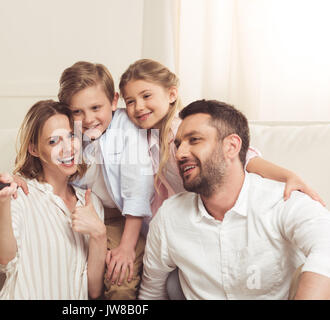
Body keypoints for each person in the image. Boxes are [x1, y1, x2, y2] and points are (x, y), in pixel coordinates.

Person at [139, 99, 330, 300]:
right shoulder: (169, 216)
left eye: (194, 140)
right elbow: (151, 294)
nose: (179, 154)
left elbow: (326, 246)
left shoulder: (282, 200)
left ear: (231, 146)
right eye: (178, 145)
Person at [118, 59, 325, 227]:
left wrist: (289, 176)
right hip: (173, 219)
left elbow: (243, 158)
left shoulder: (182, 130)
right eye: (130, 101)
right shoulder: (145, 135)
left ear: (171, 94)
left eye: (146, 96)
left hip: (205, 215)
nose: (139, 107)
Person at [0, 100, 107, 300]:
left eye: (71, 136)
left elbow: (93, 291)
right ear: (34, 150)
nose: (68, 148)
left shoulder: (91, 203)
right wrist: (2, 203)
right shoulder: (21, 194)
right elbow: (4, 259)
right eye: (53, 141)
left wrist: (99, 234)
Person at [57, 61, 154, 299]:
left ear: (113, 101)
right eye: (77, 111)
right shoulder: (69, 133)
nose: (88, 119)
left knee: (120, 276)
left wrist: (126, 248)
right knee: (68, 269)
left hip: (123, 219)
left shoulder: (128, 131)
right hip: (84, 212)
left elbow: (137, 193)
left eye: (95, 107)